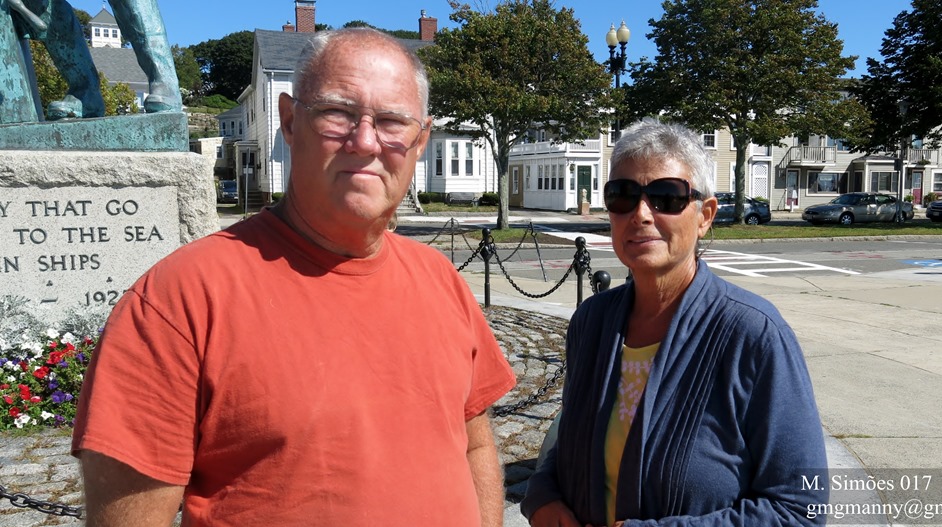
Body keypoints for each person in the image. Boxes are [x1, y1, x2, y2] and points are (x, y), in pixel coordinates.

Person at [72, 28, 516, 526]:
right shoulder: (179, 299)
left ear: (421, 140)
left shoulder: (439, 278)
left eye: (392, 121)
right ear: (289, 121)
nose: (365, 141)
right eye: (337, 113)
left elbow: (475, 445)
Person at [521, 119, 828, 526]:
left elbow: (800, 508)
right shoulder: (591, 322)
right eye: (623, 195)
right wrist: (543, 496)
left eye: (667, 197)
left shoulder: (753, 335)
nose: (641, 214)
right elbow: (573, 440)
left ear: (705, 216)